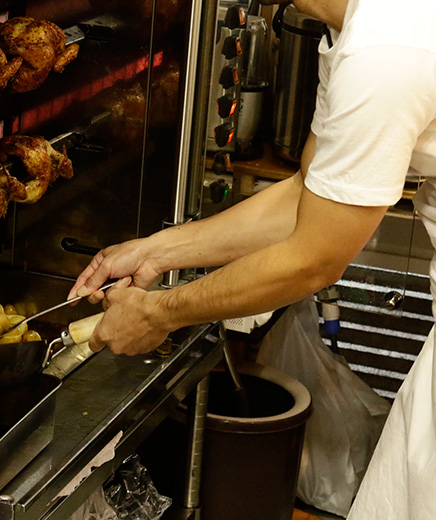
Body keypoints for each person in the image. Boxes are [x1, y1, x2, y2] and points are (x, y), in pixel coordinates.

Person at [68, 0, 436, 518]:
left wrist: (158, 312)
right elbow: (308, 192)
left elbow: (313, 260)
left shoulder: (385, 55)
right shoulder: (358, 28)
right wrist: (156, 249)